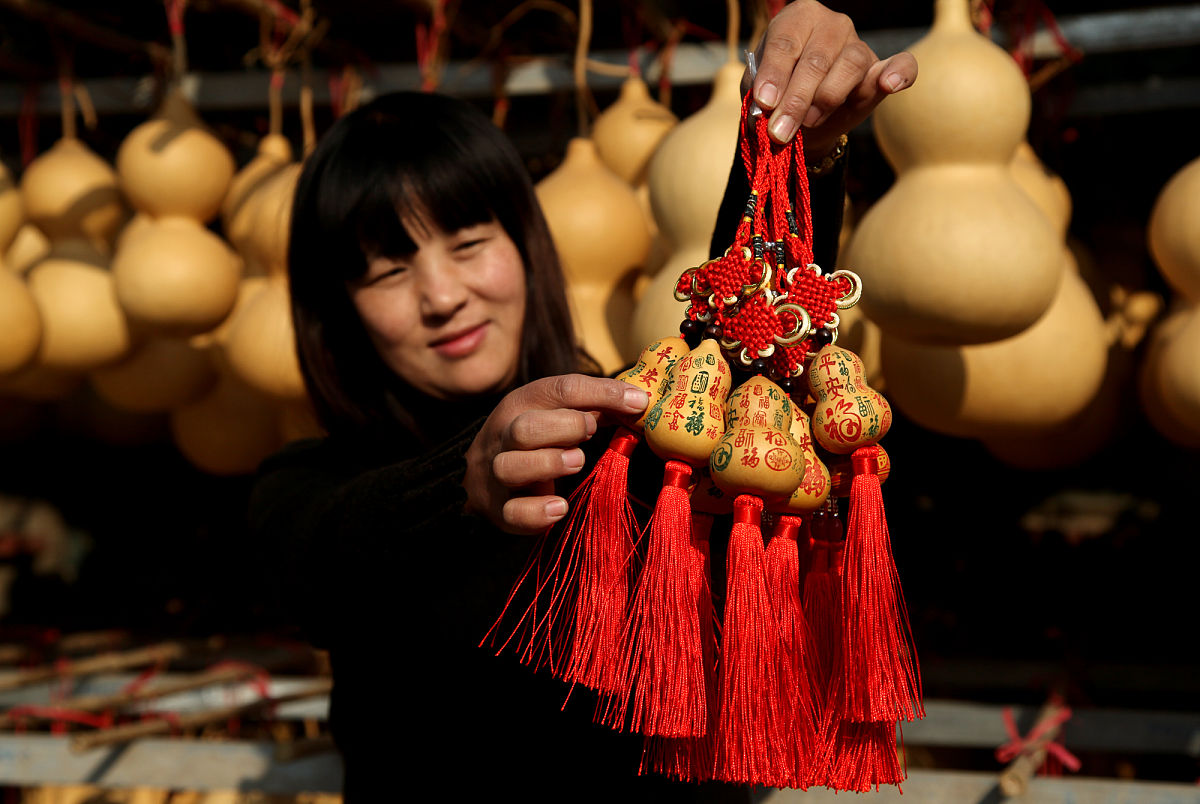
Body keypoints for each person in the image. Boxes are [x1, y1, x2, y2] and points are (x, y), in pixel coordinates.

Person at [249, 2, 917, 799]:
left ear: (525, 249)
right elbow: (317, 560)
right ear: (339, 310)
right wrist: (460, 484)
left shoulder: (630, 450)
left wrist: (796, 154)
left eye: (468, 244)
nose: (442, 295)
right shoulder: (311, 494)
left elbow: (736, 350)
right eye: (389, 271)